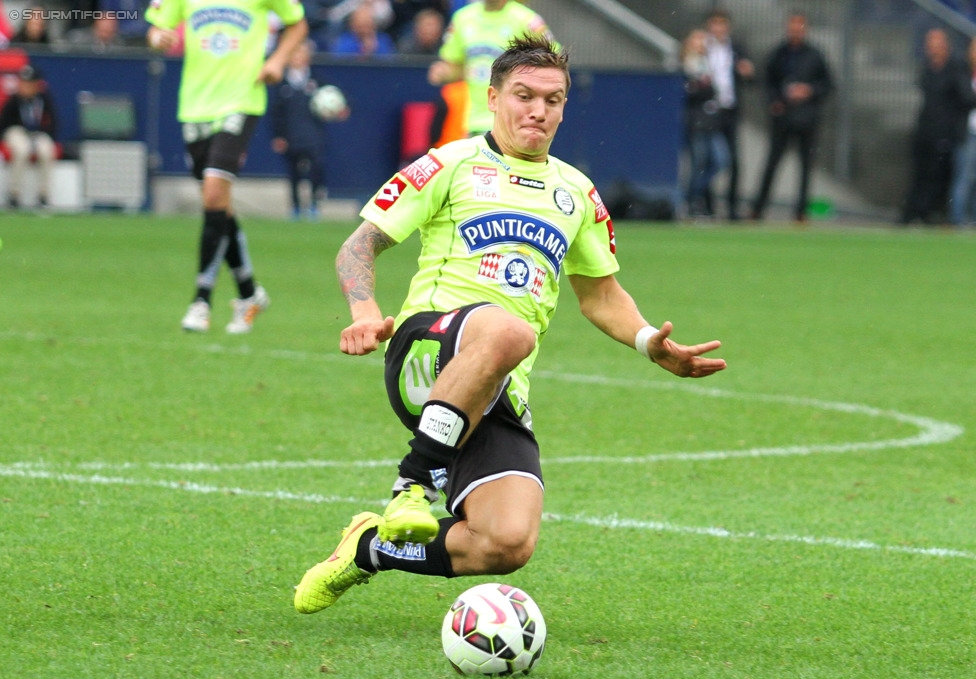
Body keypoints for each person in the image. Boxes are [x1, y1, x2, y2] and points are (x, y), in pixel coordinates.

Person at [293, 34, 727, 615]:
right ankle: (413, 485)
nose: (538, 110)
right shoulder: (451, 162)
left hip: (497, 382)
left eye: (553, 99)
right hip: (427, 349)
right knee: (510, 332)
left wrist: (650, 341)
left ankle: (368, 550)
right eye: (524, 96)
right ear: (493, 97)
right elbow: (358, 247)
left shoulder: (578, 192)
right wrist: (365, 312)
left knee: (505, 543)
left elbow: (600, 295)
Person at [146, 0, 308, 333]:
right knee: (218, 206)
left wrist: (277, 60)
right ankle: (249, 293)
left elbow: (298, 23)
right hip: (195, 105)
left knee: (214, 195)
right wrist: (157, 37)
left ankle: (201, 301)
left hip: (242, 99)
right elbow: (157, 26)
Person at [749, 12, 832, 223]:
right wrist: (774, 101)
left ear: (805, 29)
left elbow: (828, 85)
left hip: (807, 119)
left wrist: (809, 91)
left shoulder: (815, 55)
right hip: (783, 119)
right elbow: (767, 83)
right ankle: (758, 208)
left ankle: (801, 211)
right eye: (792, 26)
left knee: (805, 167)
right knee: (772, 164)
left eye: (799, 27)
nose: (795, 30)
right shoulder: (778, 54)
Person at [428, 0, 555, 136]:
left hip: (513, 121)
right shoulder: (463, 18)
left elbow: (552, 61)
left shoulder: (525, 20)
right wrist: (444, 73)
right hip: (474, 120)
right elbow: (456, 66)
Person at [902, 28, 975, 225]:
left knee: (947, 177)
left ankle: (938, 216)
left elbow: (966, 97)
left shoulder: (956, 67)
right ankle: (914, 214)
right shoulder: (927, 68)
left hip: (947, 132)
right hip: (926, 129)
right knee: (921, 174)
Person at [270, 40, 347, 219]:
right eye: (294, 54)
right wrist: (278, 136)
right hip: (292, 135)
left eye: (301, 54)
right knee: (294, 171)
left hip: (314, 135)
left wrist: (341, 109)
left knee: (316, 168)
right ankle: (296, 207)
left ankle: (314, 204)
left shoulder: (317, 79)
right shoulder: (282, 83)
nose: (298, 58)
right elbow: (276, 112)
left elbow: (337, 97)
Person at [704, 8, 753, 220]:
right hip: (708, 111)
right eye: (715, 24)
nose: (718, 28)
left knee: (733, 162)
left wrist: (748, 73)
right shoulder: (702, 48)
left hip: (729, 111)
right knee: (709, 160)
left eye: (722, 24)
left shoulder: (737, 49)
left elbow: (751, 80)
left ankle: (732, 207)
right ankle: (707, 205)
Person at [681, 28, 729, 218]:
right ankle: (691, 202)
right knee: (698, 164)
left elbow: (711, 91)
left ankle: (692, 197)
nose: (701, 44)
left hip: (711, 122)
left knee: (720, 160)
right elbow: (693, 93)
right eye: (697, 40)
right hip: (696, 123)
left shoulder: (707, 64)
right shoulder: (687, 65)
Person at [0, 64, 57, 210]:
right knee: (21, 149)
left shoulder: (43, 100)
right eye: (24, 83)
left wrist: (45, 133)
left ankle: (43, 195)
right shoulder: (14, 100)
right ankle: (14, 194)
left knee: (47, 150)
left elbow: (53, 122)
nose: (26, 87)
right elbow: (4, 123)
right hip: (17, 132)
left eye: (30, 83)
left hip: (37, 133)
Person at [949, 36, 976, 225]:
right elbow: (966, 98)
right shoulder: (962, 72)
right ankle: (959, 220)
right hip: (969, 133)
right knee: (964, 178)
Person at [330, 2, 396, 56]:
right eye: (361, 26)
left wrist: (374, 48)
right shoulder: (344, 40)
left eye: (367, 25)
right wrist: (364, 51)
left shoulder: (383, 40)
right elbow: (340, 60)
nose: (364, 30)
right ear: (353, 26)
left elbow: (391, 61)